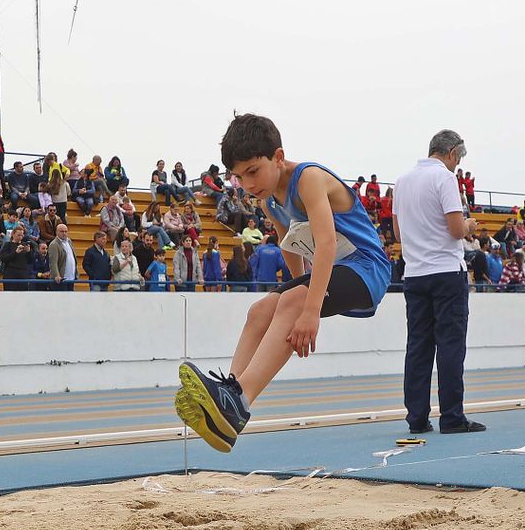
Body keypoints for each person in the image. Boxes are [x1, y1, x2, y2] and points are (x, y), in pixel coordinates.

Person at [175, 114, 392, 452]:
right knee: (260, 310)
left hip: (369, 268)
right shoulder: (268, 201)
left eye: (253, 171)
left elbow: (326, 243)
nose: (247, 184)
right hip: (337, 268)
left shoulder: (308, 179)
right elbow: (290, 245)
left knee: (292, 302)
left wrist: (309, 310)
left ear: (278, 157)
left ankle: (238, 402)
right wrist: (293, 298)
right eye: (239, 177)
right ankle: (228, 402)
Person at [393, 129, 485, 435]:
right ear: (452, 153)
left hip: (415, 273)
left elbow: (397, 233)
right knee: (450, 345)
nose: (457, 165)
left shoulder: (402, 181)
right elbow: (456, 230)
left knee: (418, 347)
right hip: (446, 271)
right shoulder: (445, 178)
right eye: (458, 159)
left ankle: (417, 418)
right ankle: (452, 416)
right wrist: (469, 224)